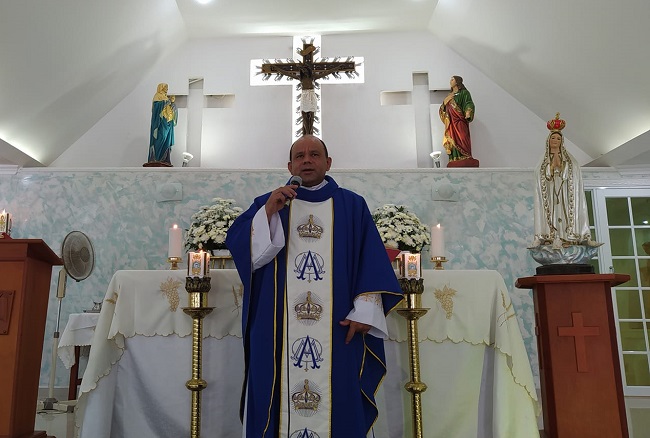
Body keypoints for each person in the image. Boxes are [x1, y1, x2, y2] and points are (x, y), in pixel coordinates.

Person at [226, 135, 403, 438]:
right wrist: (268, 212)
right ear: (290, 164)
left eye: (315, 154)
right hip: (276, 330)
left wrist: (365, 311)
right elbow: (246, 254)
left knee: (341, 397)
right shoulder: (270, 202)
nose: (307, 160)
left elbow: (370, 260)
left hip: (338, 328)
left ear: (328, 163)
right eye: (300, 156)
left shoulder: (352, 205)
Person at [531, 113, 597, 249]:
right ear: (548, 140)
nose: (555, 140)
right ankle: (552, 237)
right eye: (553, 138)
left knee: (565, 213)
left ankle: (573, 237)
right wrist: (551, 163)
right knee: (553, 212)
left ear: (562, 142)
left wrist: (559, 160)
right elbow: (542, 174)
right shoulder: (542, 161)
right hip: (550, 194)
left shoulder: (569, 160)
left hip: (565, 194)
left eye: (558, 139)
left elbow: (570, 173)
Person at [439, 75, 478, 166]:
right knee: (452, 140)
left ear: (457, 81)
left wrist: (468, 111)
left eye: (452, 79)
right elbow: (443, 110)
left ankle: (466, 156)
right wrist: (444, 103)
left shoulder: (464, 93)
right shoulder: (449, 96)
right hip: (451, 123)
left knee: (463, 137)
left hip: (460, 121)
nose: (450, 81)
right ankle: (454, 157)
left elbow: (469, 103)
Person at [147, 83, 176, 165]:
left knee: (167, 139)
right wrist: (165, 102)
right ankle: (156, 158)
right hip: (161, 121)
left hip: (168, 121)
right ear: (161, 88)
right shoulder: (157, 96)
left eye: (167, 88)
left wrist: (172, 104)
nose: (167, 89)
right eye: (165, 87)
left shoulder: (166, 97)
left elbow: (170, 108)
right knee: (161, 137)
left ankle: (165, 159)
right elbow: (156, 106)